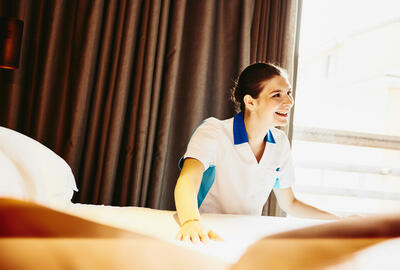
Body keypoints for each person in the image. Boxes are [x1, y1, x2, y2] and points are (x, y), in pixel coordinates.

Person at [174, 62, 338, 244]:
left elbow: (290, 203)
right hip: (206, 228)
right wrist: (192, 221)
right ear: (250, 102)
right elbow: (187, 181)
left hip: (246, 234)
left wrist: (339, 222)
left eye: (289, 93)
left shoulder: (280, 143)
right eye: (277, 95)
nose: (289, 102)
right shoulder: (214, 132)